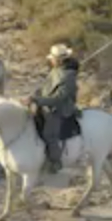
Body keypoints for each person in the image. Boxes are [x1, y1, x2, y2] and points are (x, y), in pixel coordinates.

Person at [26, 43, 79, 174]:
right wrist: (34, 95)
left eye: (53, 58)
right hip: (48, 105)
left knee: (49, 134)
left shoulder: (69, 76)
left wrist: (38, 100)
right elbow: (46, 88)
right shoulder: (56, 71)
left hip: (61, 108)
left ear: (59, 60)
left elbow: (59, 98)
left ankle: (56, 162)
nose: (50, 60)